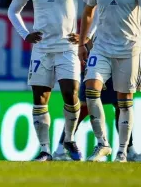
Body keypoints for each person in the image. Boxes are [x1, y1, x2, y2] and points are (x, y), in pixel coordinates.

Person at [7, 0, 89, 161]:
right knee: (39, 98)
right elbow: (13, 11)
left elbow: (95, 3)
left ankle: (69, 139)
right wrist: (25, 34)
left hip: (67, 48)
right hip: (41, 50)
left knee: (70, 93)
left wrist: (86, 35)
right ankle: (45, 150)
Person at [78, 0, 141, 162]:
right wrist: (82, 43)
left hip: (129, 49)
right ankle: (102, 143)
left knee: (124, 101)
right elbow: (88, 12)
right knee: (91, 90)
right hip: (102, 47)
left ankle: (123, 151)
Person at [53, 10, 140, 161]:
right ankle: (62, 147)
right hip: (99, 57)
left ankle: (128, 150)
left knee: (121, 104)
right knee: (85, 105)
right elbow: (91, 20)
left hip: (123, 55)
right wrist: (84, 40)